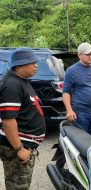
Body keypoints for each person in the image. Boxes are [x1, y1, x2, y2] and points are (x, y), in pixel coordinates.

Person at [0, 47, 46, 189]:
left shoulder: (20, 80)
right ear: (18, 65)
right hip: (17, 147)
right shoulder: (12, 85)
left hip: (25, 144)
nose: (36, 65)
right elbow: (8, 120)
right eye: (32, 62)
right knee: (17, 186)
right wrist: (19, 149)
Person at [63, 42, 91, 135]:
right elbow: (66, 92)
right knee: (82, 140)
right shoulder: (71, 71)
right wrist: (69, 110)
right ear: (79, 55)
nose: (90, 56)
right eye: (87, 54)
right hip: (80, 113)